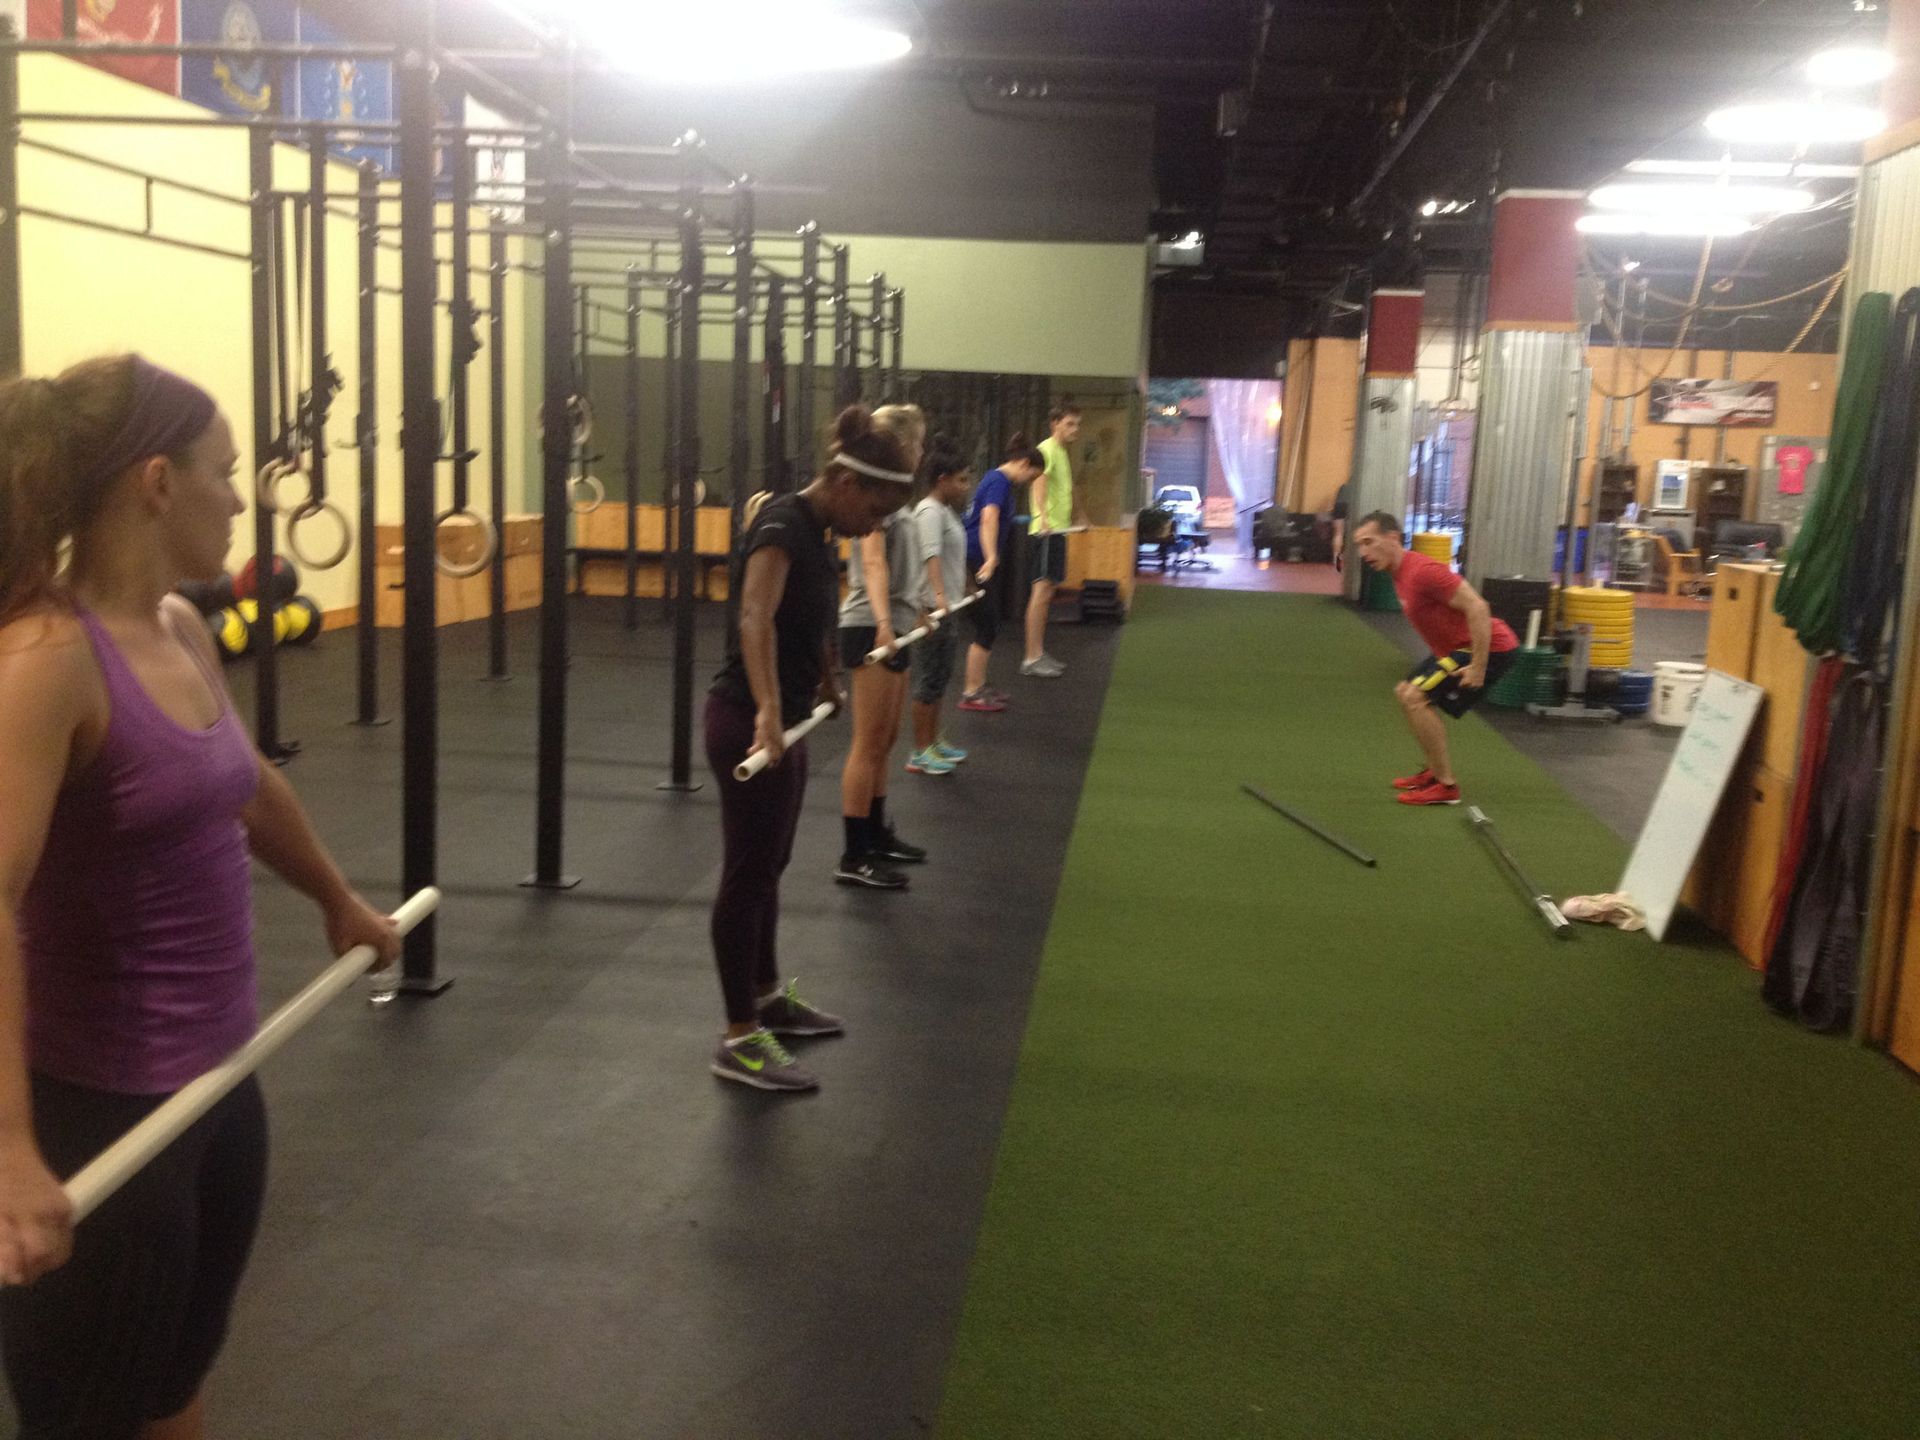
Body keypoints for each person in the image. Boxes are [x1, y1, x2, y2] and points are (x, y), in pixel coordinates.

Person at [0, 354, 399, 1439]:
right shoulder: (47, 660)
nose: (240, 497)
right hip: (101, 1109)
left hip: (220, 1084)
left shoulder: (176, 626)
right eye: (224, 472)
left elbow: (249, 788)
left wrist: (337, 902)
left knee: (174, 1375)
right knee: (87, 1407)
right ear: (155, 482)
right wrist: (10, 1150)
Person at [705, 405, 915, 1092]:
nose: (875, 526)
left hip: (785, 717)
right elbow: (754, 615)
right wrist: (768, 705)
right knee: (747, 873)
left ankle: (767, 998)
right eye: (876, 510)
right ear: (848, 484)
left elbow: (812, 616)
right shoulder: (780, 525)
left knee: (772, 863)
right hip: (746, 720)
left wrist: (826, 678)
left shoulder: (820, 533)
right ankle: (739, 1038)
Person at [1352, 511, 1519, 806]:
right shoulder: (1399, 573)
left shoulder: (1423, 572)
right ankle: (1434, 772)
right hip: (1455, 648)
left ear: (1392, 538)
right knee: (1405, 693)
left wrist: (1479, 667)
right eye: (1358, 546)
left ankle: (1447, 786)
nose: (1363, 553)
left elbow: (1478, 608)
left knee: (1416, 697)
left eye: (1369, 542)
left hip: (1487, 647)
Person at [835, 403, 928, 890]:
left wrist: (920, 607)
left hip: (896, 621)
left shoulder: (900, 501)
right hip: (871, 625)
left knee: (887, 740)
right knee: (867, 743)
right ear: (899, 445)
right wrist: (886, 624)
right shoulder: (875, 499)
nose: (921, 451)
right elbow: (872, 564)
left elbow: (900, 570)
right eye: (916, 443)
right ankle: (853, 856)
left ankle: (875, 836)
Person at [959, 435, 1044, 713]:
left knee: (990, 623)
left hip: (977, 558)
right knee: (987, 623)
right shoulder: (998, 481)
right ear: (1023, 463)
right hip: (975, 559)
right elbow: (988, 517)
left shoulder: (998, 481)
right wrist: (992, 556)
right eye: (1031, 474)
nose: (1029, 480)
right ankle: (971, 692)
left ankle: (978, 685)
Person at [907, 445, 973, 776]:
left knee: (941, 679)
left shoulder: (946, 511)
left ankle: (933, 742)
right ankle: (920, 751)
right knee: (928, 680)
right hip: (933, 610)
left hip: (948, 606)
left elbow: (951, 557)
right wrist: (937, 595)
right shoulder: (929, 511)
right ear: (942, 479)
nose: (966, 485)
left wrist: (966, 586)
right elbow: (929, 555)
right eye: (960, 480)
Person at [1022, 403, 1083, 678]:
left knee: (1047, 594)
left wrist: (1081, 515)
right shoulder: (1047, 449)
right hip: (1047, 531)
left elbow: (1066, 490)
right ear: (1054, 423)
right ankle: (1031, 658)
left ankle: (1038, 651)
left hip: (1058, 531)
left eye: (1077, 425)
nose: (1075, 430)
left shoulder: (1061, 452)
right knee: (1040, 592)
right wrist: (1044, 518)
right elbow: (1038, 481)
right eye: (1070, 424)